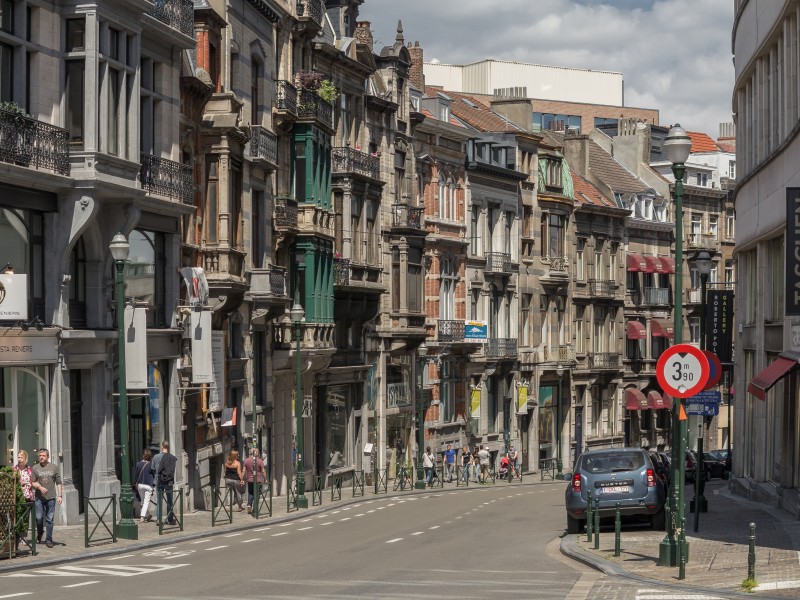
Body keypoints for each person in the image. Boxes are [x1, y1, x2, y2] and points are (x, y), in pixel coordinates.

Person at [30, 449, 62, 548]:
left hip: (51, 497)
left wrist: (60, 495)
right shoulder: (35, 468)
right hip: (39, 498)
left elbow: (59, 482)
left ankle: (49, 540)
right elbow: (33, 482)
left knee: (50, 519)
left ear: (47, 456)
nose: (41, 457)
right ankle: (40, 532)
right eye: (40, 455)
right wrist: (39, 487)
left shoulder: (54, 467)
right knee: (39, 518)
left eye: (43, 455)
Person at [153, 440, 177, 524]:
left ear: (162, 446)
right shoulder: (172, 457)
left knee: (159, 501)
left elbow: (152, 468)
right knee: (170, 500)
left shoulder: (156, 457)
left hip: (158, 481)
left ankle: (159, 519)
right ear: (168, 447)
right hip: (168, 481)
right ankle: (170, 519)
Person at [243, 448, 267, 514]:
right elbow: (263, 471)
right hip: (258, 480)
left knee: (251, 493)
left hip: (250, 480)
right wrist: (265, 479)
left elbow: (243, 470)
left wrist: (242, 479)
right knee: (257, 494)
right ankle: (255, 508)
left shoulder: (246, 460)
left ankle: (249, 504)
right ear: (257, 453)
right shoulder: (259, 461)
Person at [134, 449, 155, 523]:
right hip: (148, 485)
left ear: (143, 456)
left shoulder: (138, 464)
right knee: (146, 502)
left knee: (143, 501)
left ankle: (148, 515)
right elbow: (153, 475)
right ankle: (142, 517)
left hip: (140, 485)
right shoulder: (151, 465)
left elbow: (136, 476)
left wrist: (135, 483)